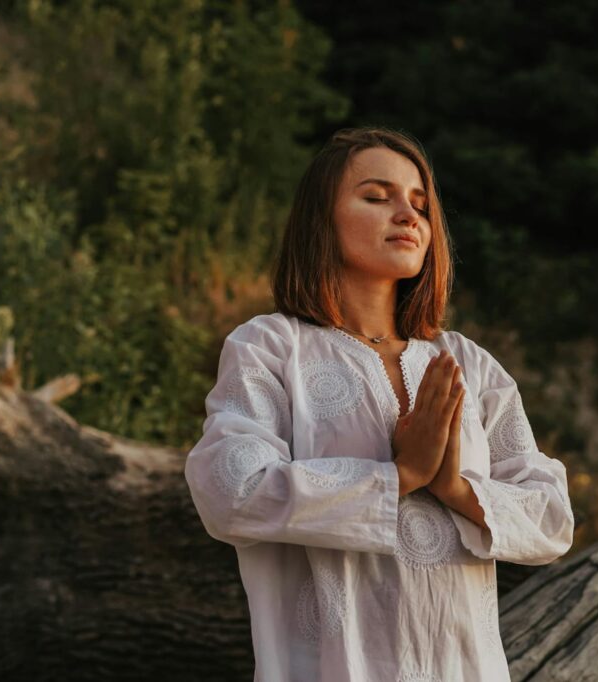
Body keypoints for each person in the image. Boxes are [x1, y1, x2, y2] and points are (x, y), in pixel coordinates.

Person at [183, 126, 574, 681]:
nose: (409, 215)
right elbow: (230, 489)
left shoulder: (469, 364)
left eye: (421, 204)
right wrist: (399, 476)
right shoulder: (272, 347)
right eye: (376, 196)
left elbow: (552, 518)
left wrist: (454, 488)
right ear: (321, 220)